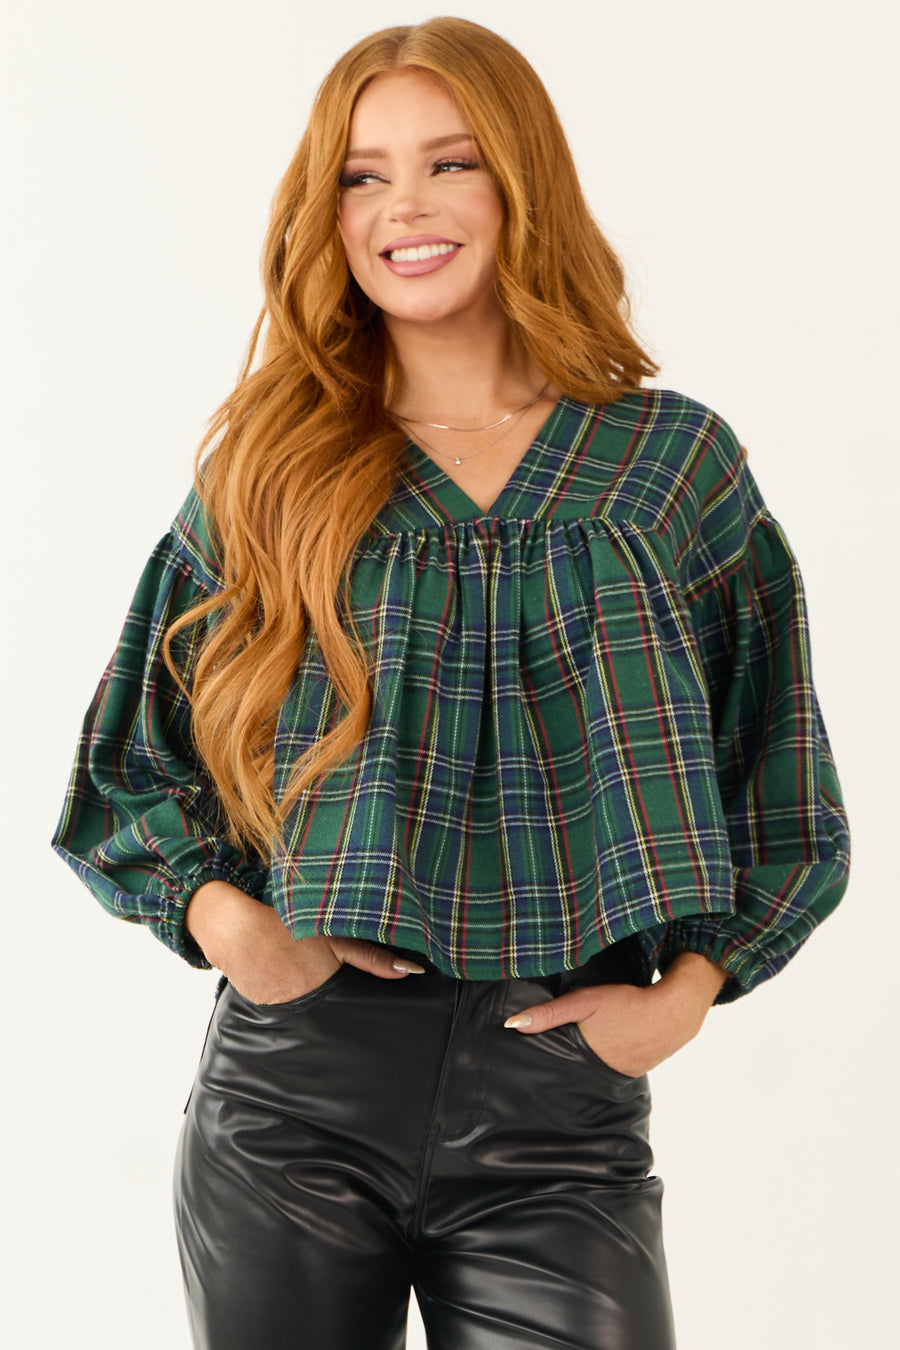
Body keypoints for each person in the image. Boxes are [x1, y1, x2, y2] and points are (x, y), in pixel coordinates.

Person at [51, 16, 850, 1350]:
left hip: (562, 1112)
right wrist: (239, 932)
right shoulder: (274, 465)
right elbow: (129, 760)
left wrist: (686, 996)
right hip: (293, 1101)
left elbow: (777, 770)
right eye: (362, 175)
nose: (403, 207)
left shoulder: (669, 466)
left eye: (450, 163)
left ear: (520, 181)